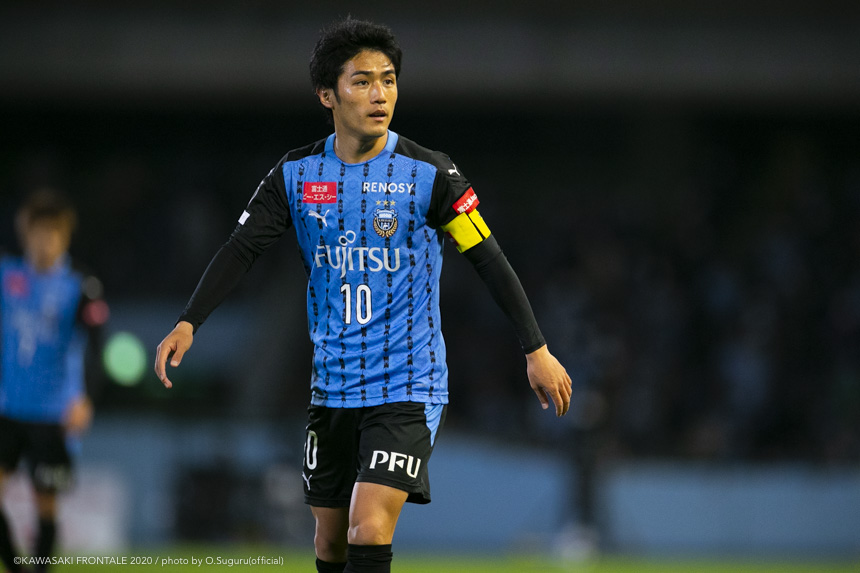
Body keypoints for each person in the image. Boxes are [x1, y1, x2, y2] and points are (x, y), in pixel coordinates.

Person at [154, 17, 571, 573]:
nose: (380, 95)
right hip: (332, 386)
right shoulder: (295, 175)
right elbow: (241, 248)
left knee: (368, 526)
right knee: (330, 544)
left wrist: (536, 348)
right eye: (363, 81)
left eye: (389, 80)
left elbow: (488, 258)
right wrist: (189, 321)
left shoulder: (431, 174)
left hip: (407, 383)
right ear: (327, 94)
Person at [0, 190, 108, 573]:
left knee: (45, 503)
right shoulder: (7, 276)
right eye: (37, 232)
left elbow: (98, 347)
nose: (44, 241)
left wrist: (86, 399)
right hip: (7, 408)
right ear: (25, 233)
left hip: (52, 415)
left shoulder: (81, 286)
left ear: (65, 236)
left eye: (52, 233)